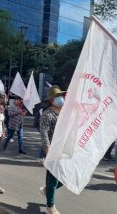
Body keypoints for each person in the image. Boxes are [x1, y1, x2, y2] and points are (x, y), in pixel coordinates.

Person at [39, 85, 66, 214]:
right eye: (57, 97)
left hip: (65, 149)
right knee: (53, 178)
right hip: (53, 150)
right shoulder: (47, 115)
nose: (61, 98)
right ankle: (50, 206)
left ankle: (47, 190)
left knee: (66, 178)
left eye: (61, 96)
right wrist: (48, 151)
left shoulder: (65, 112)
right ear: (51, 100)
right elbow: (44, 133)